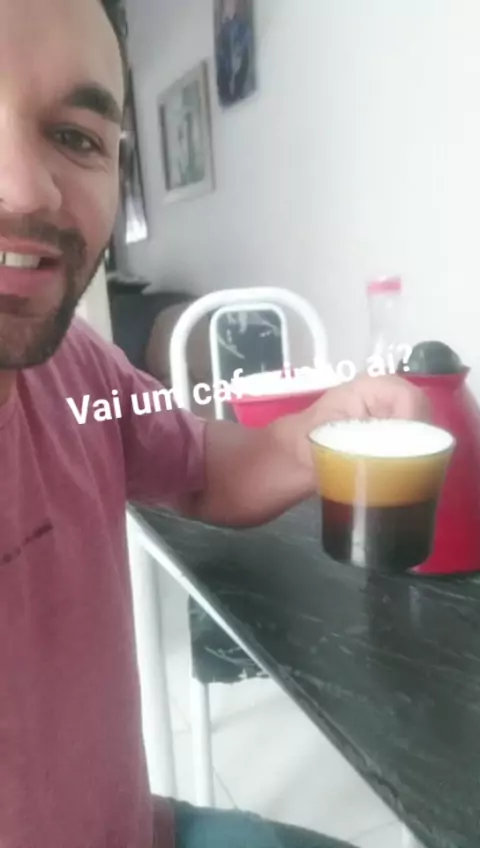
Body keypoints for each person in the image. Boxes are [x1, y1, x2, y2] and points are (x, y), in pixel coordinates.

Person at [0, 1, 428, 847]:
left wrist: (314, 431)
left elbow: (198, 462)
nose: (24, 188)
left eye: (77, 137)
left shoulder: (82, 375)